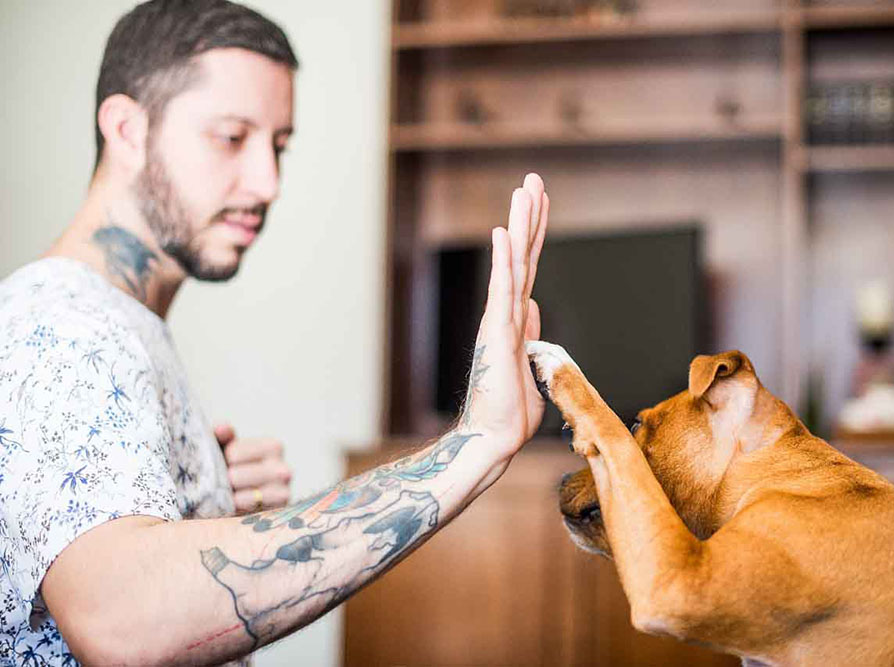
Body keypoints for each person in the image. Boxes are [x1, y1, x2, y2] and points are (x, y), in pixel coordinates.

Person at [0, 1, 550, 665]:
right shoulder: (61, 322)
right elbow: (121, 619)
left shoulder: (114, 324)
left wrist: (190, 502)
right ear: (126, 128)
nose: (268, 182)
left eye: (279, 146)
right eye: (232, 137)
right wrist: (474, 444)